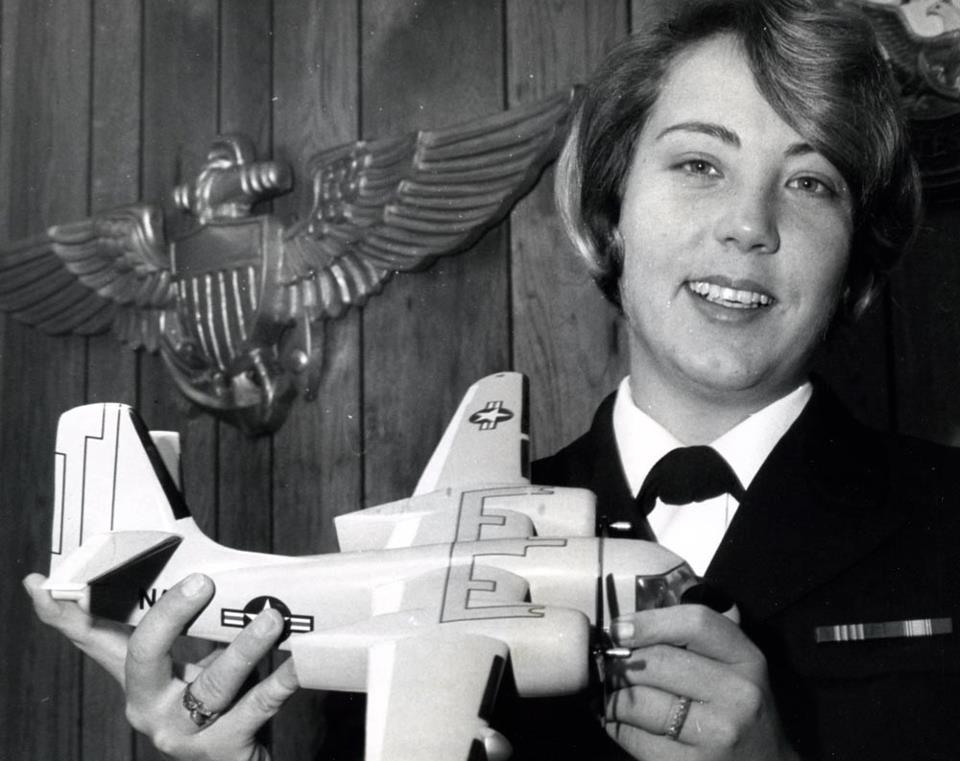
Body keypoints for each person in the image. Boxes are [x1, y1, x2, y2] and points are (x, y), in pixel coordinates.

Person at [23, 0, 960, 759]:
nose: (748, 225)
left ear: (857, 255)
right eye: (699, 162)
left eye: (812, 182)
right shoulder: (421, 568)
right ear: (610, 209)